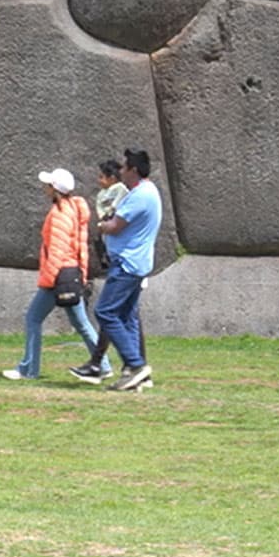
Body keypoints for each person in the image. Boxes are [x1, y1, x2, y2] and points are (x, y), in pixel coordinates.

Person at [75, 148, 161, 392]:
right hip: (136, 263)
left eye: (124, 167)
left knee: (105, 312)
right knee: (127, 315)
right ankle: (136, 373)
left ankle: (135, 365)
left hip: (127, 263)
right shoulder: (149, 191)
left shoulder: (140, 195)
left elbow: (114, 225)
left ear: (133, 170)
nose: (121, 171)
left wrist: (102, 226)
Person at [2, 168, 101, 381]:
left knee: (33, 319)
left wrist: (48, 279)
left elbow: (57, 250)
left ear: (55, 189)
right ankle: (102, 364)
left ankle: (29, 369)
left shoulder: (59, 215)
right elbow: (78, 248)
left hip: (58, 277)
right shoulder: (74, 210)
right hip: (70, 274)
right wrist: (81, 274)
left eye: (48, 185)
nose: (44, 188)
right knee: (82, 324)